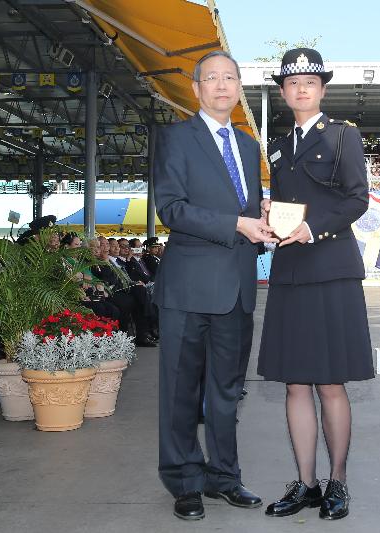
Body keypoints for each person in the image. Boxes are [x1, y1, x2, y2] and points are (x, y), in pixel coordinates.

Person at [152, 49, 276, 521]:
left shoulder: (247, 144)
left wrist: (260, 219)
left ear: (239, 87)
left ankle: (225, 476)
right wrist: (236, 225)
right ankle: (184, 480)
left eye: (231, 78)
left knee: (227, 391)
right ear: (197, 88)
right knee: (181, 390)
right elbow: (172, 209)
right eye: (213, 79)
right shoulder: (176, 138)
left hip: (237, 287)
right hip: (187, 288)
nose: (222, 86)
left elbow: (245, 207)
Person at [258, 48, 375, 521]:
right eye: (292, 83)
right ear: (283, 92)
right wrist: (270, 218)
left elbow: (357, 199)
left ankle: (338, 481)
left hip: (331, 267)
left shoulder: (345, 135)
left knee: (330, 383)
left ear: (322, 89)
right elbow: (284, 205)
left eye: (310, 81)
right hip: (290, 272)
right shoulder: (278, 146)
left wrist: (313, 228)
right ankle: (306, 483)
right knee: (294, 385)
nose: (301, 89)